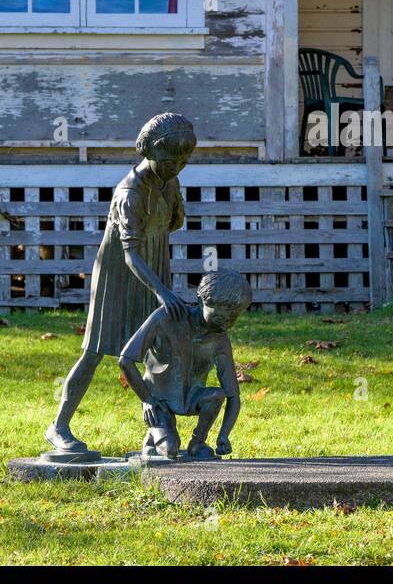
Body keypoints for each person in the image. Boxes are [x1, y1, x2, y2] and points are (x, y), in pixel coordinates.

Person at [44, 113, 194, 455]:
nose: (178, 169)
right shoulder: (130, 192)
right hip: (120, 274)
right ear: (152, 153)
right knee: (95, 352)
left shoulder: (169, 182)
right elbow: (129, 254)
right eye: (173, 161)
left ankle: (156, 431)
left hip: (153, 265)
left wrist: (175, 203)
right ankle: (59, 425)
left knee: (162, 349)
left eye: (184, 162)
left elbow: (172, 223)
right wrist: (161, 291)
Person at [118, 268, 250, 460]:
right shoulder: (166, 318)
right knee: (170, 451)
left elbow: (232, 396)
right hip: (158, 401)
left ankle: (198, 442)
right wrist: (146, 399)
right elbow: (126, 360)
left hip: (191, 397)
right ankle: (154, 435)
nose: (225, 325)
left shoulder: (220, 340)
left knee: (216, 396)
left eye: (232, 319)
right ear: (200, 301)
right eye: (220, 317)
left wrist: (223, 436)